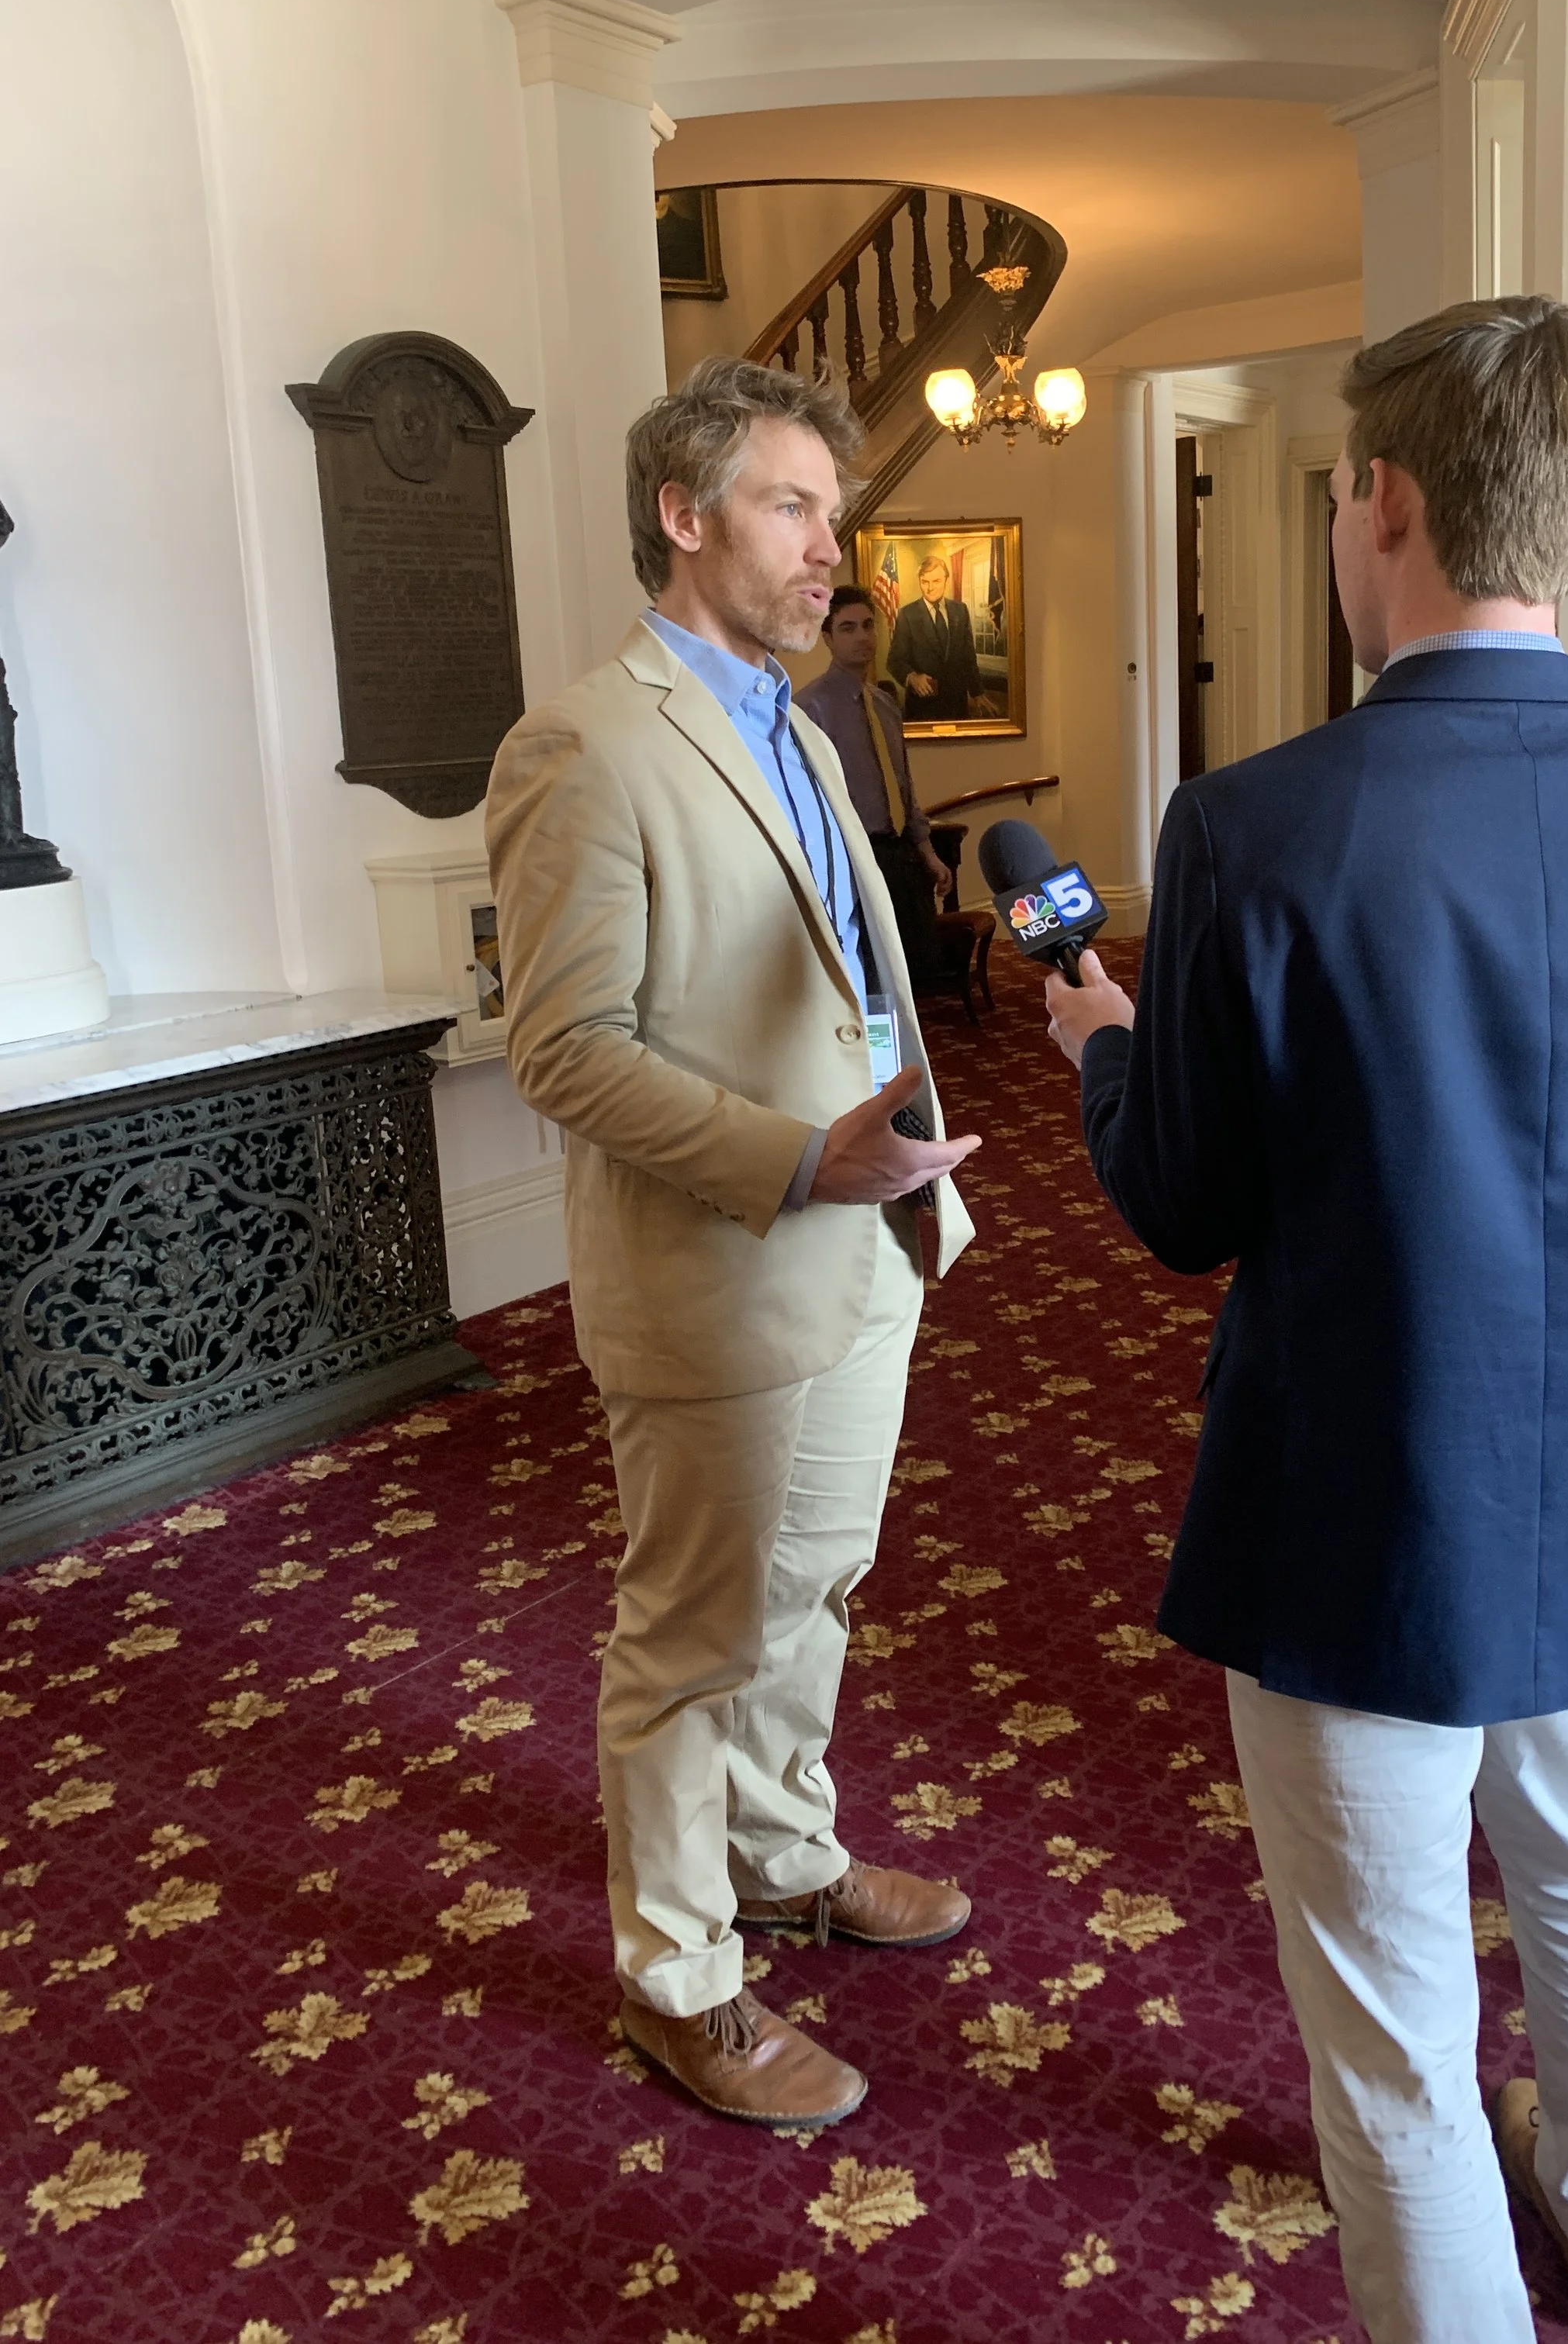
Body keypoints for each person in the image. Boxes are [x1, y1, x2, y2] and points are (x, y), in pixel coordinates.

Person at [1042, 297, 1568, 2344]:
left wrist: (1103, 1051)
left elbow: (1181, 1204)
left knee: (1397, 2013)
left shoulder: (1253, 825)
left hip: (1356, 1527)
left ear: (1375, 500)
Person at [485, 355, 981, 2135]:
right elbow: (562, 1047)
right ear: (686, 517)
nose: (830, 547)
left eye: (834, 515)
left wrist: (880, 1171)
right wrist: (795, 1161)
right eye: (793, 507)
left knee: (815, 1592)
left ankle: (783, 1858)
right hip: (726, 1261)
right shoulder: (581, 742)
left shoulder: (797, 711)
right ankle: (678, 1977)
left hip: (863, 1252)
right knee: (692, 1634)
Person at [797, 583, 954, 988]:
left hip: (901, 856)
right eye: (848, 628)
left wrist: (928, 853)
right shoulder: (807, 710)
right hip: (851, 861)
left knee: (913, 976)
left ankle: (913, 1054)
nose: (863, 637)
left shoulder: (886, 705)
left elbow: (906, 790)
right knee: (869, 980)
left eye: (869, 626)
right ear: (827, 638)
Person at [886, 554, 986, 719]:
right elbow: (894, 661)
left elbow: (968, 657)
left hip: (957, 707)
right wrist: (912, 677)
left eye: (936, 581)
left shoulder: (960, 610)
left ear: (946, 580)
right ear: (920, 581)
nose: (930, 588)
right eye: (925, 582)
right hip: (923, 708)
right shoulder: (907, 614)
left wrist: (977, 692)